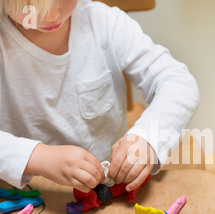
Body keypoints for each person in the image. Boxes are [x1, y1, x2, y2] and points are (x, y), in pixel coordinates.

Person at [0, 0, 199, 193]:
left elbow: (178, 82)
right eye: (28, 6)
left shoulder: (105, 23)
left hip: (108, 190)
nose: (52, 15)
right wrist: (37, 158)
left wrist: (147, 137)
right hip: (23, 195)